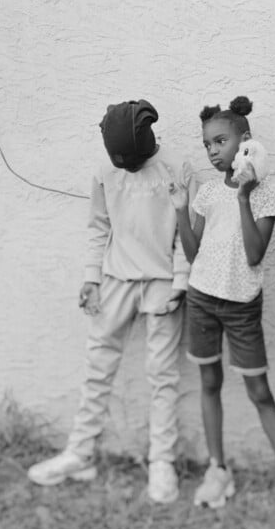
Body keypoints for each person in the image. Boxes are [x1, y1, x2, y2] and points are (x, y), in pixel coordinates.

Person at [27, 99, 190, 504]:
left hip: (162, 282)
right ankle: (80, 454)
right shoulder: (104, 172)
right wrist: (91, 279)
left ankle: (162, 463)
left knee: (162, 376)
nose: (126, 168)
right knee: (97, 369)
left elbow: (188, 230)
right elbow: (98, 226)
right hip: (116, 279)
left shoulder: (177, 167)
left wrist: (181, 283)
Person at [168, 96, 275, 523]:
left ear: (245, 140)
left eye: (220, 140)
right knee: (210, 381)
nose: (213, 150)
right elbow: (194, 254)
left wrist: (244, 198)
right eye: (207, 144)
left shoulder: (267, 194)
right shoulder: (207, 194)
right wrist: (182, 210)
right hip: (201, 299)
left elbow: (254, 255)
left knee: (258, 391)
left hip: (240, 307)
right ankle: (217, 470)